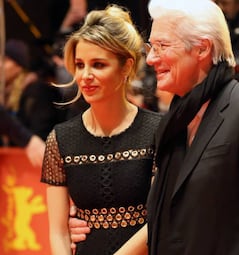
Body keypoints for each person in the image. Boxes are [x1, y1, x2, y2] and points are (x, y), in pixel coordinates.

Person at [70, 0, 239, 254]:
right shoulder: (174, 121)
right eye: (151, 47)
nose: (150, 59)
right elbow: (170, 217)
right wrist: (92, 219)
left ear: (202, 49)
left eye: (162, 46)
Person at [40, 4, 162, 255]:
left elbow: (161, 218)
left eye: (98, 65)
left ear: (126, 67)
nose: (85, 75)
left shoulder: (158, 131)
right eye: (80, 64)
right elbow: (58, 231)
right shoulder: (60, 139)